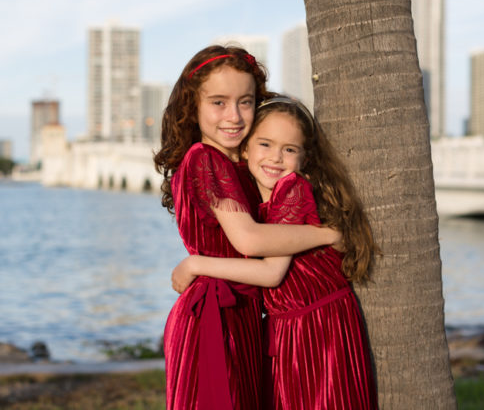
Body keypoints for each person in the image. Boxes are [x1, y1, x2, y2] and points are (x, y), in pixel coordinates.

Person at [154, 47, 341, 410]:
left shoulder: (238, 163)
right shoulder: (205, 159)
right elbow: (250, 240)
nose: (234, 116)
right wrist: (327, 234)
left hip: (239, 313)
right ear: (193, 105)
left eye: (245, 102)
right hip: (214, 317)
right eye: (219, 103)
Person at [172, 97, 379, 409]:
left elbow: (271, 273)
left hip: (317, 330)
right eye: (265, 144)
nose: (276, 158)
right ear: (245, 149)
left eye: (290, 149)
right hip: (290, 329)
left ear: (304, 158)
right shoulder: (258, 201)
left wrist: (195, 264)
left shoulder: (292, 190)